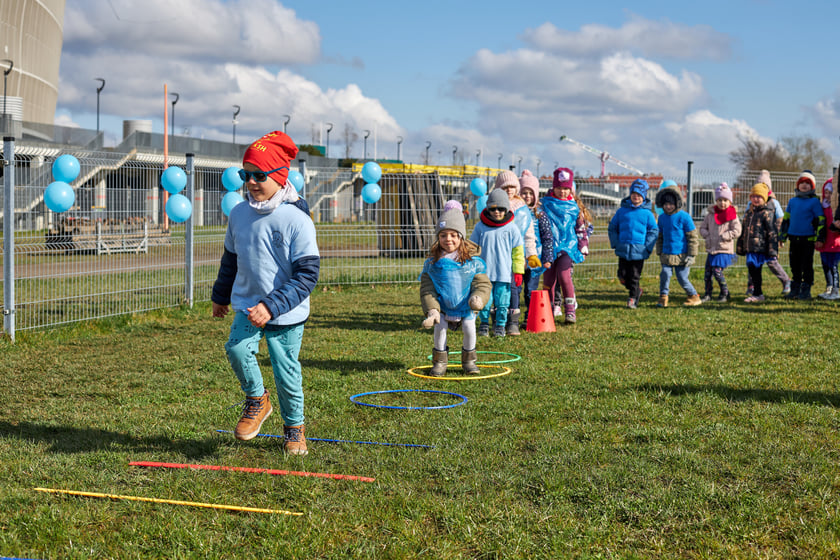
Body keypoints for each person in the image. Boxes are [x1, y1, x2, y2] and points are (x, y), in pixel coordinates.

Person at [211, 131, 320, 456]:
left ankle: (294, 430)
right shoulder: (239, 214)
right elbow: (231, 259)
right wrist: (221, 296)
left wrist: (271, 307)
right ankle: (257, 400)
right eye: (247, 175)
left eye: (260, 175)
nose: (252, 182)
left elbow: (307, 275)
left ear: (280, 175)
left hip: (286, 311)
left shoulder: (296, 219)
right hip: (247, 305)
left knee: (286, 371)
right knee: (237, 349)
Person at [420, 204, 492, 375]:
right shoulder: (433, 263)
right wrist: (433, 310)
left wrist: (478, 299)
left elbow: (482, 284)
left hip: (466, 306)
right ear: (438, 238)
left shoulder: (471, 261)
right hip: (443, 308)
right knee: (440, 328)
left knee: (468, 327)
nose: (448, 239)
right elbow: (427, 289)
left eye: (453, 235)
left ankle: (469, 361)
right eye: (443, 235)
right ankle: (439, 362)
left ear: (461, 237)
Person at [470, 188, 524, 337]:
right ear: (488, 208)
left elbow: (518, 252)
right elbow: (472, 248)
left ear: (506, 209)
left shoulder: (512, 228)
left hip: (504, 274)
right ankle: (484, 324)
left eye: (501, 209)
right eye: (493, 209)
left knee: (502, 302)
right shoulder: (480, 227)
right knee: (485, 302)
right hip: (484, 275)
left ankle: (500, 325)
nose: (497, 212)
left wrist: (518, 271)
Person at [494, 170, 540, 335]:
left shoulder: (522, 208)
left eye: (513, 187)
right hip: (497, 254)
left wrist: (531, 254)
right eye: (505, 187)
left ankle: (513, 321)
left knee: (514, 287)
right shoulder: (494, 208)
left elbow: (529, 234)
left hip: (516, 254)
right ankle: (498, 319)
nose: (509, 190)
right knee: (498, 287)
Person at [540, 167, 587, 323]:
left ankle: (570, 310)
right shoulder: (546, 204)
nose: (562, 192)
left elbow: (580, 227)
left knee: (564, 276)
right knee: (548, 279)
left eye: (566, 188)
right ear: (554, 187)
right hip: (549, 247)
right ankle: (550, 307)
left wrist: (583, 244)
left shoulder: (574, 207)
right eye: (559, 188)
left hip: (567, 247)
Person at [608, 178, 658, 309]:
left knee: (635, 276)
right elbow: (612, 227)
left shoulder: (647, 214)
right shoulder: (621, 211)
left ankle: (633, 298)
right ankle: (636, 291)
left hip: (639, 251)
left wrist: (647, 247)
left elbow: (653, 231)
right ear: (630, 194)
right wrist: (616, 243)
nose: (636, 197)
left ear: (644, 197)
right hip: (623, 249)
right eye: (634, 194)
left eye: (639, 195)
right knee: (622, 275)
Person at [779, 170, 826, 300]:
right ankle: (795, 288)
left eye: (808, 183)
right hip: (794, 239)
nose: (804, 185)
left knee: (806, 265)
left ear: (812, 186)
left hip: (808, 239)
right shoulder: (792, 201)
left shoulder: (815, 202)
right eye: (802, 182)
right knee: (794, 264)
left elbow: (820, 220)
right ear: (797, 185)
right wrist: (782, 237)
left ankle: (806, 289)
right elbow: (786, 220)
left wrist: (820, 238)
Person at [654, 183, 702, 306]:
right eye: (665, 204)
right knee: (665, 274)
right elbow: (660, 237)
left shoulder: (684, 217)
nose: (668, 206)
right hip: (666, 254)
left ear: (677, 203)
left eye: (671, 204)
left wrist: (692, 255)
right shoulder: (662, 218)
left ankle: (693, 296)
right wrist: (659, 251)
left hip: (683, 255)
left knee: (682, 278)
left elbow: (692, 237)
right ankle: (663, 297)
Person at [746, 170, 791, 296]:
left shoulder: (774, 203)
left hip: (769, 240)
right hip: (755, 241)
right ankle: (752, 285)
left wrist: (779, 239)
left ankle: (786, 280)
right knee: (753, 263)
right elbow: (747, 218)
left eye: (764, 185)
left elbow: (780, 219)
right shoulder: (751, 204)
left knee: (772, 262)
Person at [698, 182, 742, 303]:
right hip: (711, 248)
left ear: (730, 202)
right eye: (719, 200)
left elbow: (737, 230)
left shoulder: (732, 215)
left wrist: (726, 236)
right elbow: (702, 228)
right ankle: (708, 293)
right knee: (707, 274)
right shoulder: (710, 215)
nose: (722, 203)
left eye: (725, 200)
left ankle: (725, 293)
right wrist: (706, 235)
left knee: (717, 272)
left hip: (724, 249)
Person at [736, 182, 778, 303]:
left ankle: (758, 293)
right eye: (754, 196)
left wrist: (772, 250)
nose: (756, 199)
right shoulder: (749, 213)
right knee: (752, 269)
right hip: (750, 247)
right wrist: (741, 246)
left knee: (755, 269)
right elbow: (744, 231)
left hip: (760, 248)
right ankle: (756, 292)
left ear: (764, 198)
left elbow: (772, 233)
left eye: (759, 196)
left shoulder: (767, 213)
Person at [518, 170, 551, 322]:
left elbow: (547, 237)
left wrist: (547, 257)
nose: (527, 196)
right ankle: (512, 317)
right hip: (517, 259)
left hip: (534, 260)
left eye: (531, 193)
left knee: (531, 290)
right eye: (524, 192)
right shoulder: (514, 213)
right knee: (515, 289)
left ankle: (530, 317)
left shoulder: (540, 215)